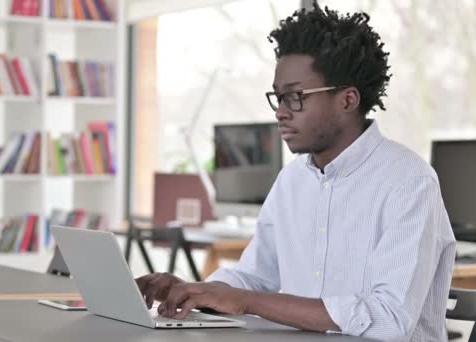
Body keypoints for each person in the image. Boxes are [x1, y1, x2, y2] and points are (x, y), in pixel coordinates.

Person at [136, 1, 456, 340]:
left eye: (295, 97)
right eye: (278, 98)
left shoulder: (409, 182)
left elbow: (389, 319)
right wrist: (195, 290)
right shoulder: (293, 180)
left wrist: (246, 301)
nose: (281, 113)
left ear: (347, 100)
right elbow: (256, 278)